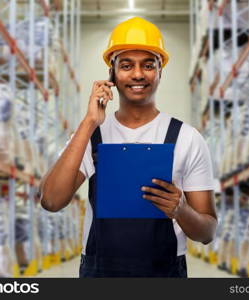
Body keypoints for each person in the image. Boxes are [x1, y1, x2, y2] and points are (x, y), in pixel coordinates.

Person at [38, 17, 217, 277]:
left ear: (160, 72)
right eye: (126, 65)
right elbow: (51, 201)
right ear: (111, 73)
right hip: (100, 272)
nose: (137, 74)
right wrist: (89, 122)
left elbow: (208, 232)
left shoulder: (187, 138)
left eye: (148, 65)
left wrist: (181, 210)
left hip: (165, 273)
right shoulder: (91, 135)